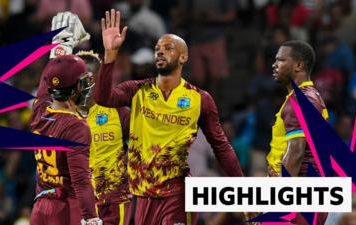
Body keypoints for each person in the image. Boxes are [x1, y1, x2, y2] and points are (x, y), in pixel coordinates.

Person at [95, 9, 244, 225]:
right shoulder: (137, 90)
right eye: (157, 49)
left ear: (183, 57)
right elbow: (103, 98)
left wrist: (240, 186)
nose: (160, 52)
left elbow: (221, 147)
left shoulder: (199, 99)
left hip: (178, 194)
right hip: (141, 194)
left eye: (168, 48)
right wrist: (109, 56)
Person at [30, 54, 101, 225]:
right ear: (76, 88)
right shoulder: (75, 127)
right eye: (83, 80)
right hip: (67, 209)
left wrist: (59, 45)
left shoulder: (38, 110)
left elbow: (45, 82)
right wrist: (91, 217)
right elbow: (80, 179)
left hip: (40, 207)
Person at [266, 40, 328, 225]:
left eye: (281, 60)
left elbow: (295, 152)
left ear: (298, 65)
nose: (274, 64)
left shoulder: (301, 101)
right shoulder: (310, 96)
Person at [76, 50, 132, 225]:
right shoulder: (63, 115)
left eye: (90, 77)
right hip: (78, 203)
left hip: (114, 200)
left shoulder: (117, 111)